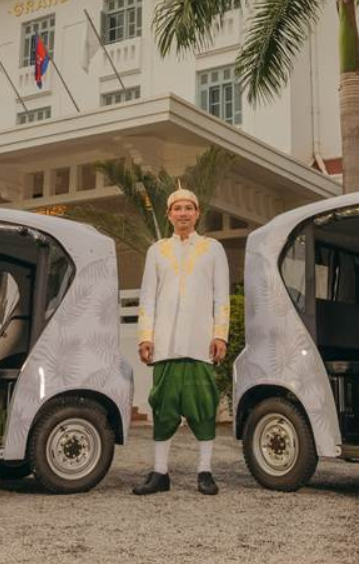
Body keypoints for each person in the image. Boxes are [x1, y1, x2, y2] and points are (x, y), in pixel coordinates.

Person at [132, 186, 230, 496]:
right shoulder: (157, 250)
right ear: (169, 215)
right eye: (178, 208)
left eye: (189, 208)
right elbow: (148, 297)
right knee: (163, 407)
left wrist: (220, 335)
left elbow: (221, 296)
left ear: (197, 213)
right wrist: (145, 337)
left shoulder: (213, 249)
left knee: (203, 407)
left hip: (200, 344)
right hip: (165, 345)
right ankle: (160, 473)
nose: (183, 213)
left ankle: (205, 471)